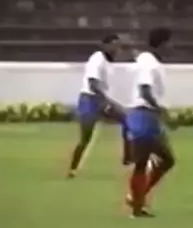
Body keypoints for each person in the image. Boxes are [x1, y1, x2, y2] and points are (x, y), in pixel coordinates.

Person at [124, 27, 175, 217]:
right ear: (163, 43)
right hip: (143, 115)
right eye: (170, 42)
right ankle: (136, 207)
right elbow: (144, 90)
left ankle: (136, 198)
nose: (172, 46)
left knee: (166, 160)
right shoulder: (149, 64)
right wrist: (161, 111)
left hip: (147, 116)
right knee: (142, 162)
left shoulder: (149, 62)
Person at [67, 34, 122, 178]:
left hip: (99, 99)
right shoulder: (97, 59)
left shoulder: (108, 62)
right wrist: (105, 101)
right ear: (105, 45)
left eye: (118, 46)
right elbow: (93, 83)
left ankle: (131, 159)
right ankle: (72, 169)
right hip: (89, 100)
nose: (116, 49)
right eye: (114, 46)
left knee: (127, 120)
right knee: (85, 137)